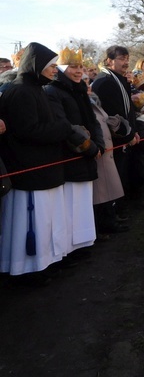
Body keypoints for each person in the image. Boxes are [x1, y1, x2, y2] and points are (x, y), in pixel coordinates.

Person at [0, 42, 84, 283]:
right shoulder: (21, 92)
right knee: (32, 223)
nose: (55, 70)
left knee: (46, 222)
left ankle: (42, 263)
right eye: (51, 66)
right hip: (30, 170)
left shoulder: (35, 89)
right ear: (36, 66)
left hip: (44, 168)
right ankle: (27, 270)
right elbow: (28, 130)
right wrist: (64, 128)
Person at [45, 47, 101, 260]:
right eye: (73, 67)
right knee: (70, 205)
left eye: (80, 67)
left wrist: (98, 143)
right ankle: (69, 247)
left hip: (87, 155)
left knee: (82, 203)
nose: (78, 72)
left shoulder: (79, 89)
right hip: (71, 156)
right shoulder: (53, 91)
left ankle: (83, 241)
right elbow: (65, 125)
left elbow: (92, 120)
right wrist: (88, 147)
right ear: (61, 68)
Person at [91, 46, 140, 220]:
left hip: (124, 137)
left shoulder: (118, 79)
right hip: (114, 139)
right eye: (121, 58)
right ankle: (111, 214)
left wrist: (132, 132)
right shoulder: (105, 81)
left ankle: (118, 209)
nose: (126, 62)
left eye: (127, 58)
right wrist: (127, 135)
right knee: (112, 179)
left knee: (121, 175)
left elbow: (128, 110)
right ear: (110, 61)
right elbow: (114, 114)